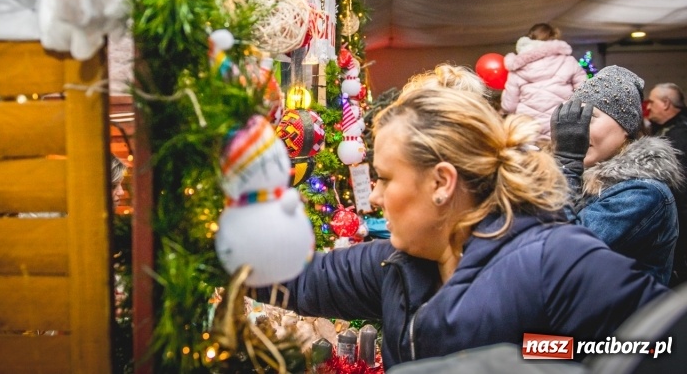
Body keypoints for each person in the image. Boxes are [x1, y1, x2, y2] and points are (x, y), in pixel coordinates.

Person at [258, 86, 668, 369]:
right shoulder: (399, 265)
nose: (376, 197)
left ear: (441, 182)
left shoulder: (554, 258)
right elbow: (299, 278)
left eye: (385, 178)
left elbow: (661, 345)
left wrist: (527, 354)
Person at [551, 66, 683, 285]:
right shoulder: (581, 175)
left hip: (626, 318)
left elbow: (561, 254)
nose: (577, 129)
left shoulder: (644, 191)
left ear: (626, 128)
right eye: (574, 118)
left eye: (589, 117)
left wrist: (565, 163)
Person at [501, 23, 586, 139]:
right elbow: (585, 93)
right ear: (553, 38)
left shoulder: (516, 66)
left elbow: (509, 106)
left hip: (530, 128)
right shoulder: (568, 61)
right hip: (563, 124)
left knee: (535, 157)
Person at [646, 83, 687, 285]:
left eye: (652, 102)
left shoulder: (679, 138)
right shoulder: (665, 132)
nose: (648, 107)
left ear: (665, 103)